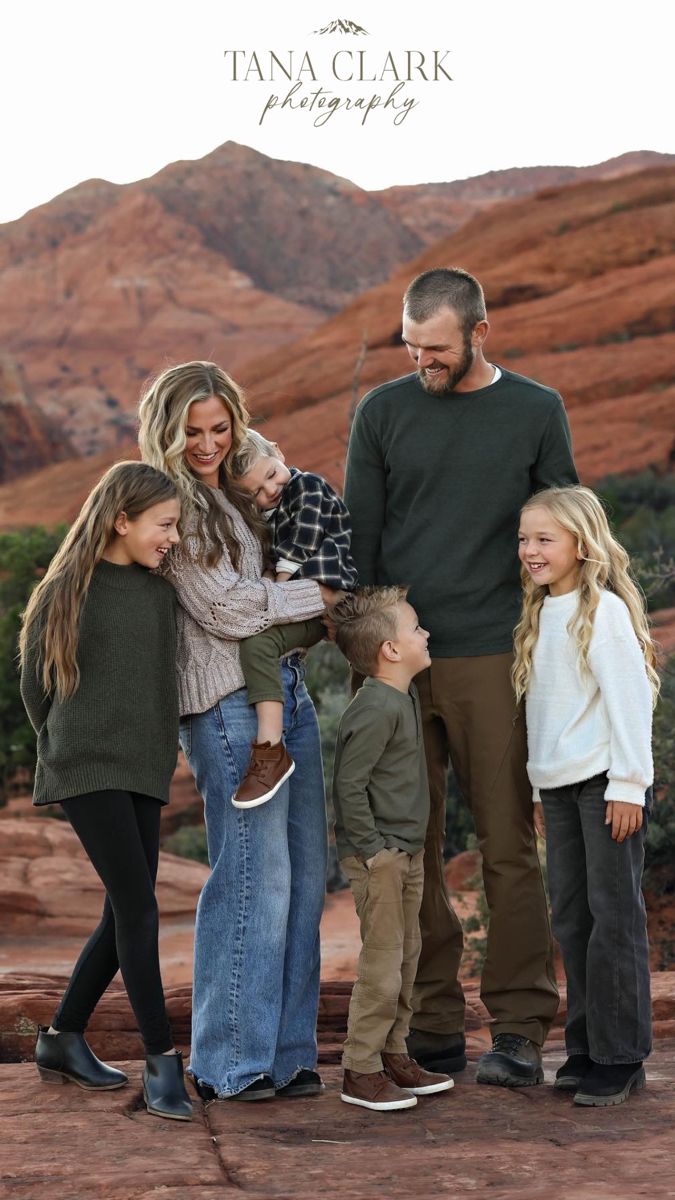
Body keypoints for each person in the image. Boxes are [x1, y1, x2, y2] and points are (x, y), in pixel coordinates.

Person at [344, 266, 578, 1087]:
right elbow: (362, 546)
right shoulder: (381, 412)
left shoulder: (535, 410)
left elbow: (564, 533)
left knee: (507, 844)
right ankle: (431, 1024)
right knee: (411, 848)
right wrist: (371, 669)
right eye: (409, 346)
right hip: (400, 662)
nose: (420, 362)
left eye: (435, 348)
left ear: (481, 332)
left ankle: (517, 1027)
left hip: (490, 654)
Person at [138, 361, 338, 1103]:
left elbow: (266, 582)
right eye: (191, 431)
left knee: (306, 876)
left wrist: (287, 596)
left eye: (219, 428)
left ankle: (286, 1055)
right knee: (257, 876)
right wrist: (322, 592)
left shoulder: (243, 480)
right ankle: (230, 1060)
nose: (207, 443)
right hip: (224, 704)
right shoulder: (174, 503)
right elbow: (223, 610)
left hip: (285, 689)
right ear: (167, 430)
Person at [19, 461, 193, 1122]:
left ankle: (61, 1039)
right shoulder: (69, 586)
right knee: (140, 906)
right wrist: (71, 743)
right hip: (87, 765)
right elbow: (37, 687)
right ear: (123, 520)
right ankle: (162, 1064)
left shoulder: (158, 593)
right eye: (164, 524)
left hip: (143, 764)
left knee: (121, 912)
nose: (172, 537)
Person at [514, 485, 657, 1106]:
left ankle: (620, 1056)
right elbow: (546, 714)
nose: (531, 550)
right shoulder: (538, 612)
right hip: (560, 790)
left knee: (614, 917)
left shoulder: (606, 614)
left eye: (545, 539)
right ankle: (584, 1046)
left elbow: (630, 702)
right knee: (573, 919)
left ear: (582, 542)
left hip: (606, 786)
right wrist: (541, 790)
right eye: (524, 539)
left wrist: (629, 784)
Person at [332, 586, 454, 1111]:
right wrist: (374, 851)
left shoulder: (400, 696)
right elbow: (348, 786)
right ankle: (360, 1070)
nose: (425, 633)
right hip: (381, 859)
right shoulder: (376, 706)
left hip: (406, 854)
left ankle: (393, 1056)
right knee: (382, 967)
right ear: (391, 650)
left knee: (406, 958)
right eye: (416, 628)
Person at [228, 428, 357, 808]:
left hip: (331, 589)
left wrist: (276, 587)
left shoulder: (308, 487)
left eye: (271, 474)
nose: (270, 490)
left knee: (258, 642)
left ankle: (269, 749)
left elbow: (301, 540)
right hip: (308, 601)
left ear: (280, 453)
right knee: (259, 643)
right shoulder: (266, 513)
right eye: (254, 492)